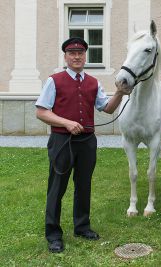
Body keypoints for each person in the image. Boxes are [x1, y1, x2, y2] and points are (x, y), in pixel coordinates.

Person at [35, 37, 131, 253]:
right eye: (72, 53)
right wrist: (66, 123)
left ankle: (82, 227)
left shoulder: (93, 82)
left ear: (85, 56)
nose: (77, 56)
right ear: (66, 57)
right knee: (57, 187)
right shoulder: (54, 80)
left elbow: (106, 108)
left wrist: (119, 93)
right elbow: (41, 111)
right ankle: (53, 234)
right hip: (62, 141)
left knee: (84, 185)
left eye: (80, 53)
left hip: (87, 141)